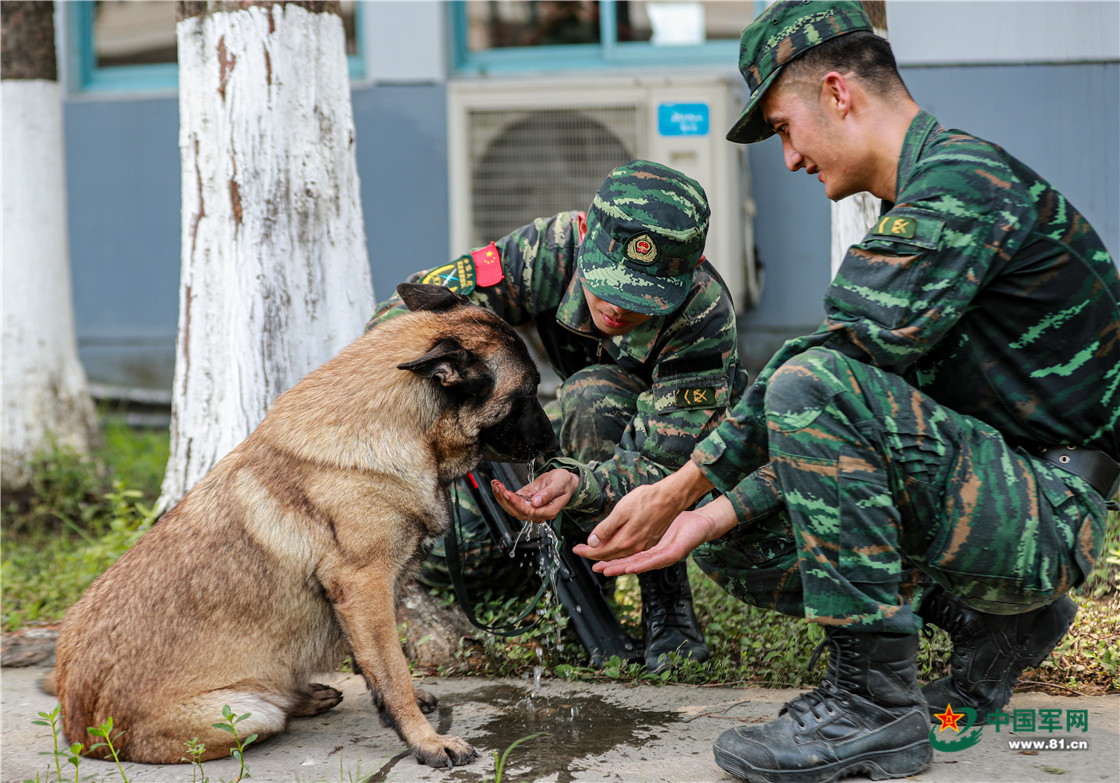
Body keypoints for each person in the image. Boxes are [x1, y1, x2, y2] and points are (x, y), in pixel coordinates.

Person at [572, 3, 1120, 782]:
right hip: (1009, 491)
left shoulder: (960, 188)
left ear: (837, 93)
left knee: (805, 382)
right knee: (734, 535)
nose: (789, 158)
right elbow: (861, 418)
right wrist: (706, 513)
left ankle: (872, 708)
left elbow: (823, 371)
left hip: (1048, 513)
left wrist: (683, 480)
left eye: (785, 127)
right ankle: (999, 625)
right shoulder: (926, 198)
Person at [368, 159, 749, 672]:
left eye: (641, 297)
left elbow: (667, 470)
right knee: (458, 560)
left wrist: (579, 486)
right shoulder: (545, 250)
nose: (617, 308)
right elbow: (404, 316)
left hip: (641, 453)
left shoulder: (702, 316)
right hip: (550, 434)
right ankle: (577, 566)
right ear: (587, 234)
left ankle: (663, 595)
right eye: (607, 283)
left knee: (593, 394)